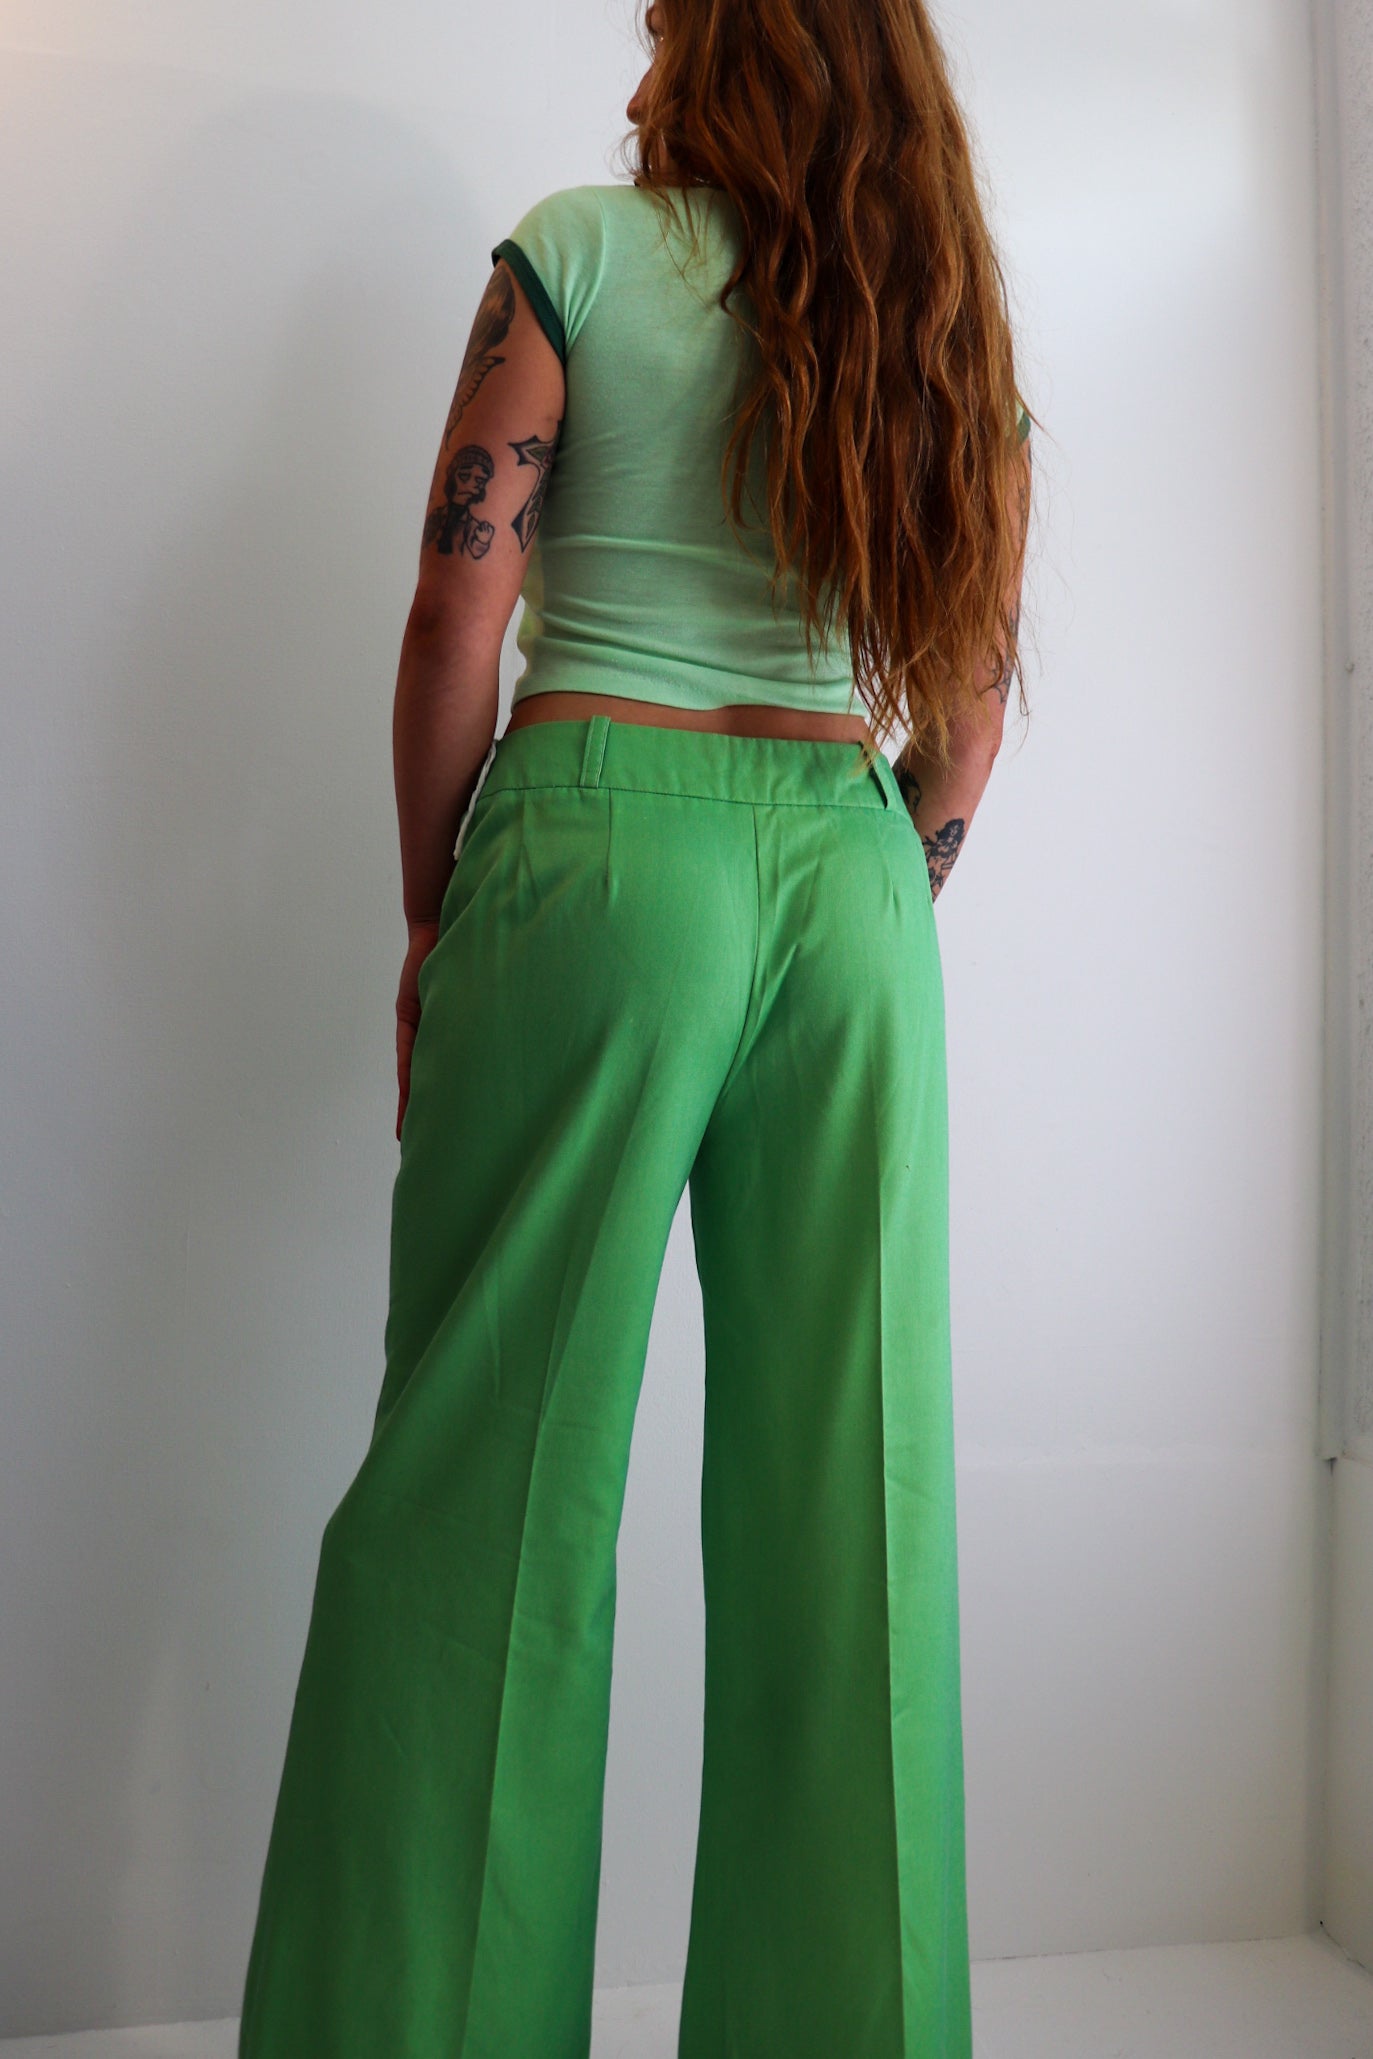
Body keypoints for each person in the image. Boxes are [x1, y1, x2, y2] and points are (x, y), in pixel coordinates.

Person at [237, 1, 1034, 2053]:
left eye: (671, 18)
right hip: (851, 888)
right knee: (855, 1501)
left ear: (726, 49)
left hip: (597, 852)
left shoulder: (578, 255)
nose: (644, 52)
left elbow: (457, 610)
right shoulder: (939, 321)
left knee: (484, 1490)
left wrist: (433, 915)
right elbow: (968, 715)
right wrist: (867, 887)